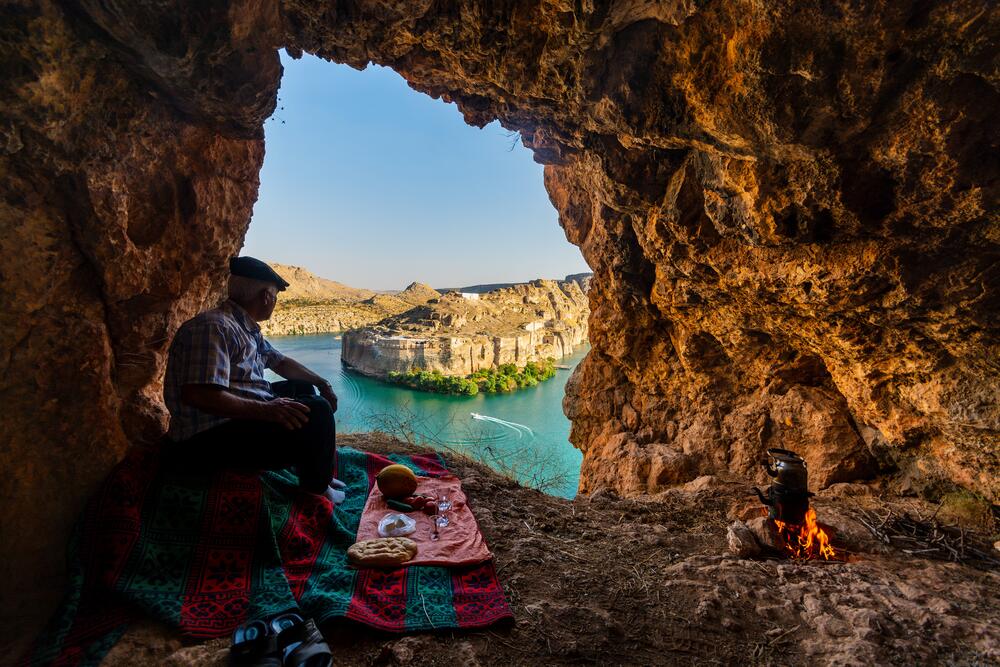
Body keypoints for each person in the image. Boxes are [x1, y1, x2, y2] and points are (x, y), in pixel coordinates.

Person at [163, 256, 344, 503]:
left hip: (231, 421)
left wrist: (323, 383)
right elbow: (199, 395)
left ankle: (315, 469)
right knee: (319, 412)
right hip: (207, 439)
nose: (274, 303)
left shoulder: (241, 326)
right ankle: (316, 488)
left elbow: (279, 362)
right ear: (266, 297)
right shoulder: (213, 328)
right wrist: (267, 410)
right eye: (275, 296)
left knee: (303, 387)